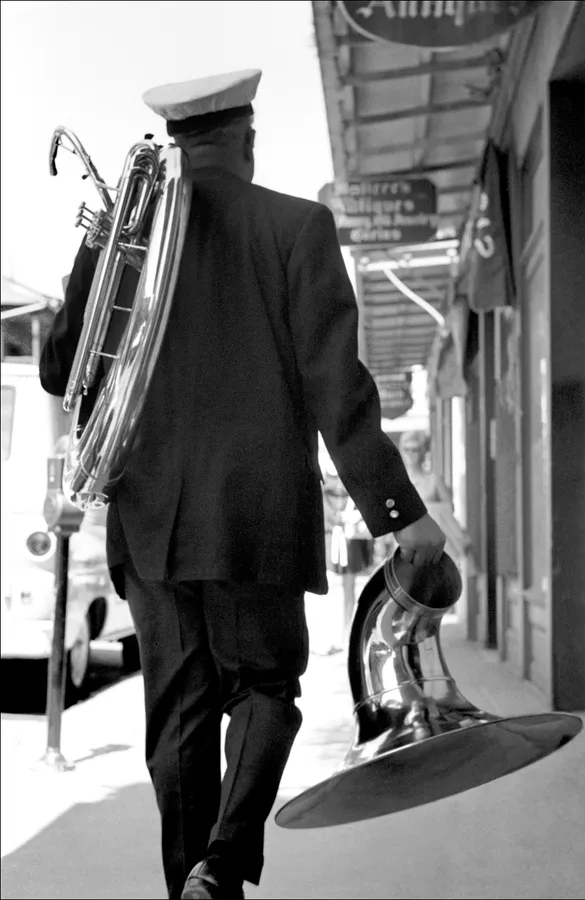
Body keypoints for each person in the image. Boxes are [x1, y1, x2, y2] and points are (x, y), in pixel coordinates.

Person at [39, 69, 446, 900]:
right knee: (265, 688)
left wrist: (93, 253)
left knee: (178, 721)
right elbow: (339, 388)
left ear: (180, 145)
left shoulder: (123, 234)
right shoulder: (297, 226)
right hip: (256, 516)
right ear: (248, 139)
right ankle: (223, 862)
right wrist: (398, 512)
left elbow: (58, 369)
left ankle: (189, 886)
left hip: (149, 521)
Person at [399, 431, 470, 562]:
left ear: (423, 452)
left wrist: (426, 509)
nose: (410, 454)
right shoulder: (398, 483)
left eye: (414, 450)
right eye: (406, 449)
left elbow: (449, 509)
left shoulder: (434, 480)